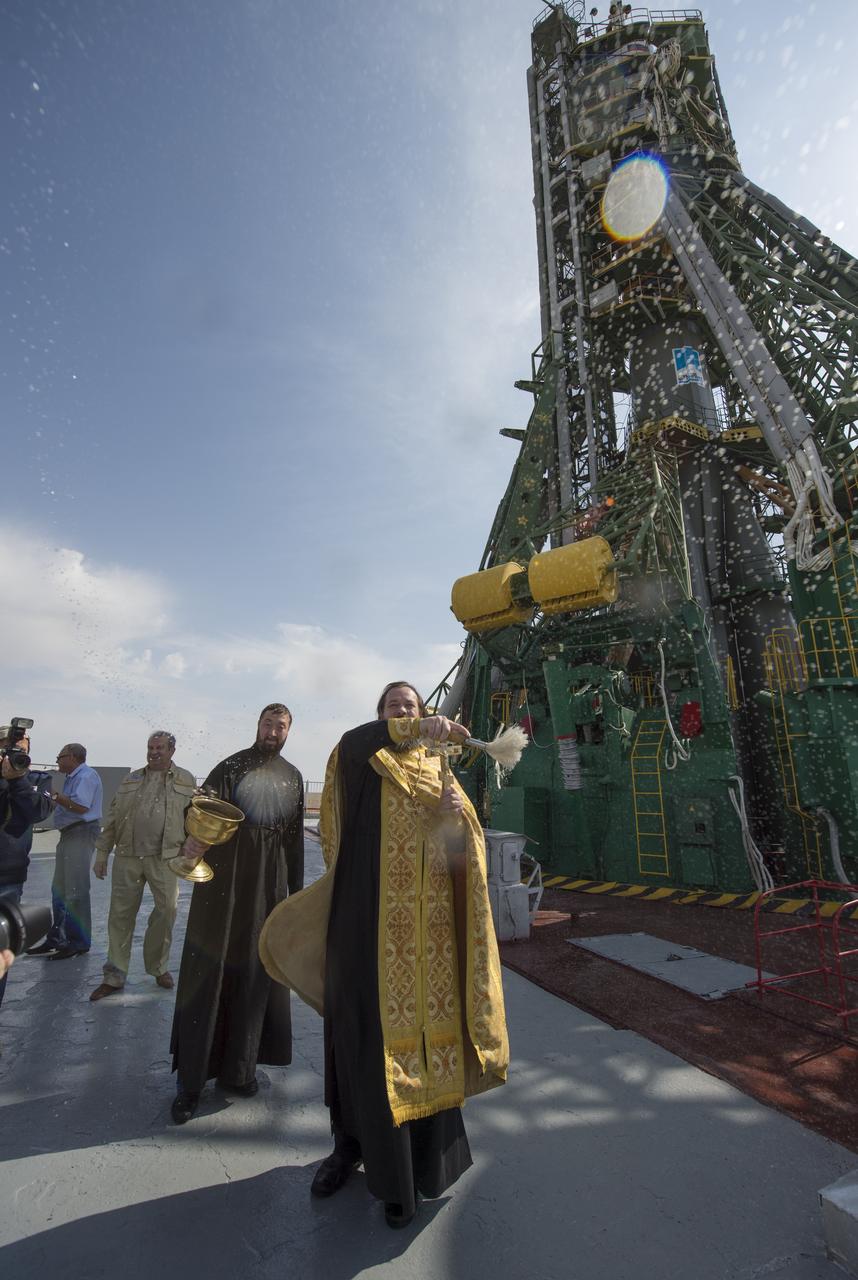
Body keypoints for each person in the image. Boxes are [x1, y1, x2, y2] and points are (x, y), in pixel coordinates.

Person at [294, 682, 508, 1229]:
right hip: (365, 930)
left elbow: (464, 858)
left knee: (428, 1047)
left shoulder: (442, 772)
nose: (403, 712)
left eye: (411, 706)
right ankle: (350, 1149)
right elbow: (353, 743)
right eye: (395, 706)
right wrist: (417, 728)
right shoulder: (364, 757)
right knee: (361, 1040)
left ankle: (417, 1171)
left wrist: (458, 818)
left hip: (428, 942)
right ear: (382, 716)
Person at [169, 703, 304, 1124]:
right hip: (223, 889)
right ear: (258, 725)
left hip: (268, 890)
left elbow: (294, 840)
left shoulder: (293, 777)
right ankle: (190, 1082)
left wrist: (294, 898)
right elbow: (197, 815)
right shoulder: (230, 767)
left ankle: (239, 1071)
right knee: (207, 975)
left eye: (281, 726)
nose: (273, 731)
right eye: (268, 724)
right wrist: (190, 843)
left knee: (254, 975)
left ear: (288, 732)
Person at [88, 732, 197, 1002]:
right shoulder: (132, 778)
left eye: (160, 748)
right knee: (120, 916)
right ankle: (114, 976)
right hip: (127, 856)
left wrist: (191, 850)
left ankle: (158, 968)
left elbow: (194, 818)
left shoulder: (186, 779)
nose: (154, 752)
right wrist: (102, 853)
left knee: (167, 911)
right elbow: (112, 816)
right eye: (150, 747)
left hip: (165, 858)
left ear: (172, 750)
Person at [28, 743, 102, 960]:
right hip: (70, 835)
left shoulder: (86, 776)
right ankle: (58, 938)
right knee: (60, 890)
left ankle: (77, 942)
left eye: (60, 757)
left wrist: (55, 797)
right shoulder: (75, 777)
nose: (58, 761)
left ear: (71, 757)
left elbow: (82, 807)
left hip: (80, 833)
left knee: (76, 890)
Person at [0, 725, 52, 1007]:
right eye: (11, 743)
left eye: (23, 743)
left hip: (7, 878)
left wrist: (16, 780)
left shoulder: (37, 779)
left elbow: (37, 811)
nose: (18, 748)